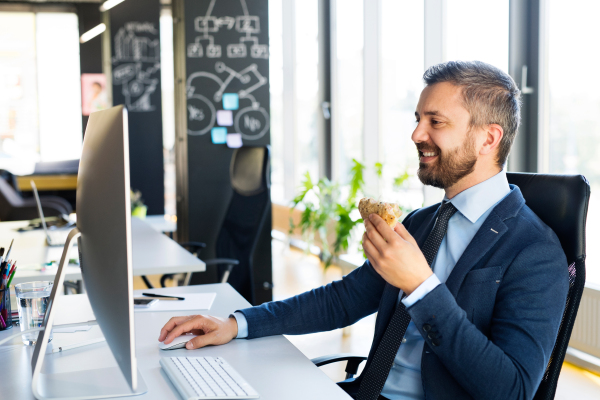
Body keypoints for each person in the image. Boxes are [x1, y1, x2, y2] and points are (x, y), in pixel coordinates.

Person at [158, 61, 569, 400]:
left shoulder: (534, 250)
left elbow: (513, 390)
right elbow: (343, 299)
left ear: (488, 138)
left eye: (435, 122)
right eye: (417, 119)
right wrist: (237, 324)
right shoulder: (422, 224)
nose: (416, 135)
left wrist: (421, 287)